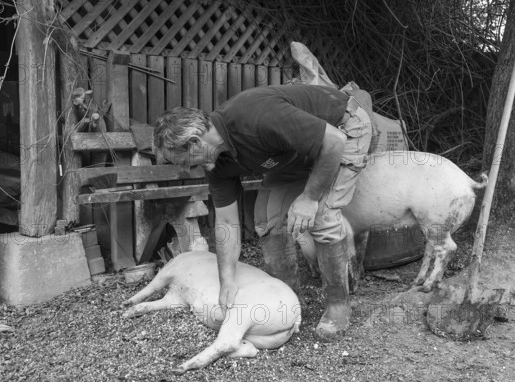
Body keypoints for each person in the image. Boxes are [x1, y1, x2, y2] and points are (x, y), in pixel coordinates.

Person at [153, 84, 372, 341]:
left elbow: (333, 142)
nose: (188, 170)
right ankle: (286, 300)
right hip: (296, 153)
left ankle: (338, 306)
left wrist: (309, 198)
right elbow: (226, 222)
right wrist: (227, 281)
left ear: (193, 143)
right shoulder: (217, 165)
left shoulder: (255, 118)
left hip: (345, 129)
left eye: (184, 162)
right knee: (267, 219)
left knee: (321, 215)